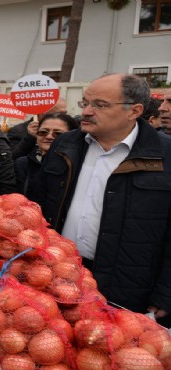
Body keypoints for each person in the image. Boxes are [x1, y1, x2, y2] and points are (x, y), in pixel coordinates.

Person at [38, 74, 171, 325]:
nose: (87, 112)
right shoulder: (66, 145)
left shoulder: (165, 155)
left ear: (135, 110)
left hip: (128, 289)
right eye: (85, 103)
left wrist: (166, 294)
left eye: (100, 105)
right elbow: (36, 204)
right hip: (60, 276)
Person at [14, 112, 78, 204]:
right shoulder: (23, 163)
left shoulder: (76, 165)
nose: (49, 136)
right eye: (43, 132)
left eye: (58, 133)